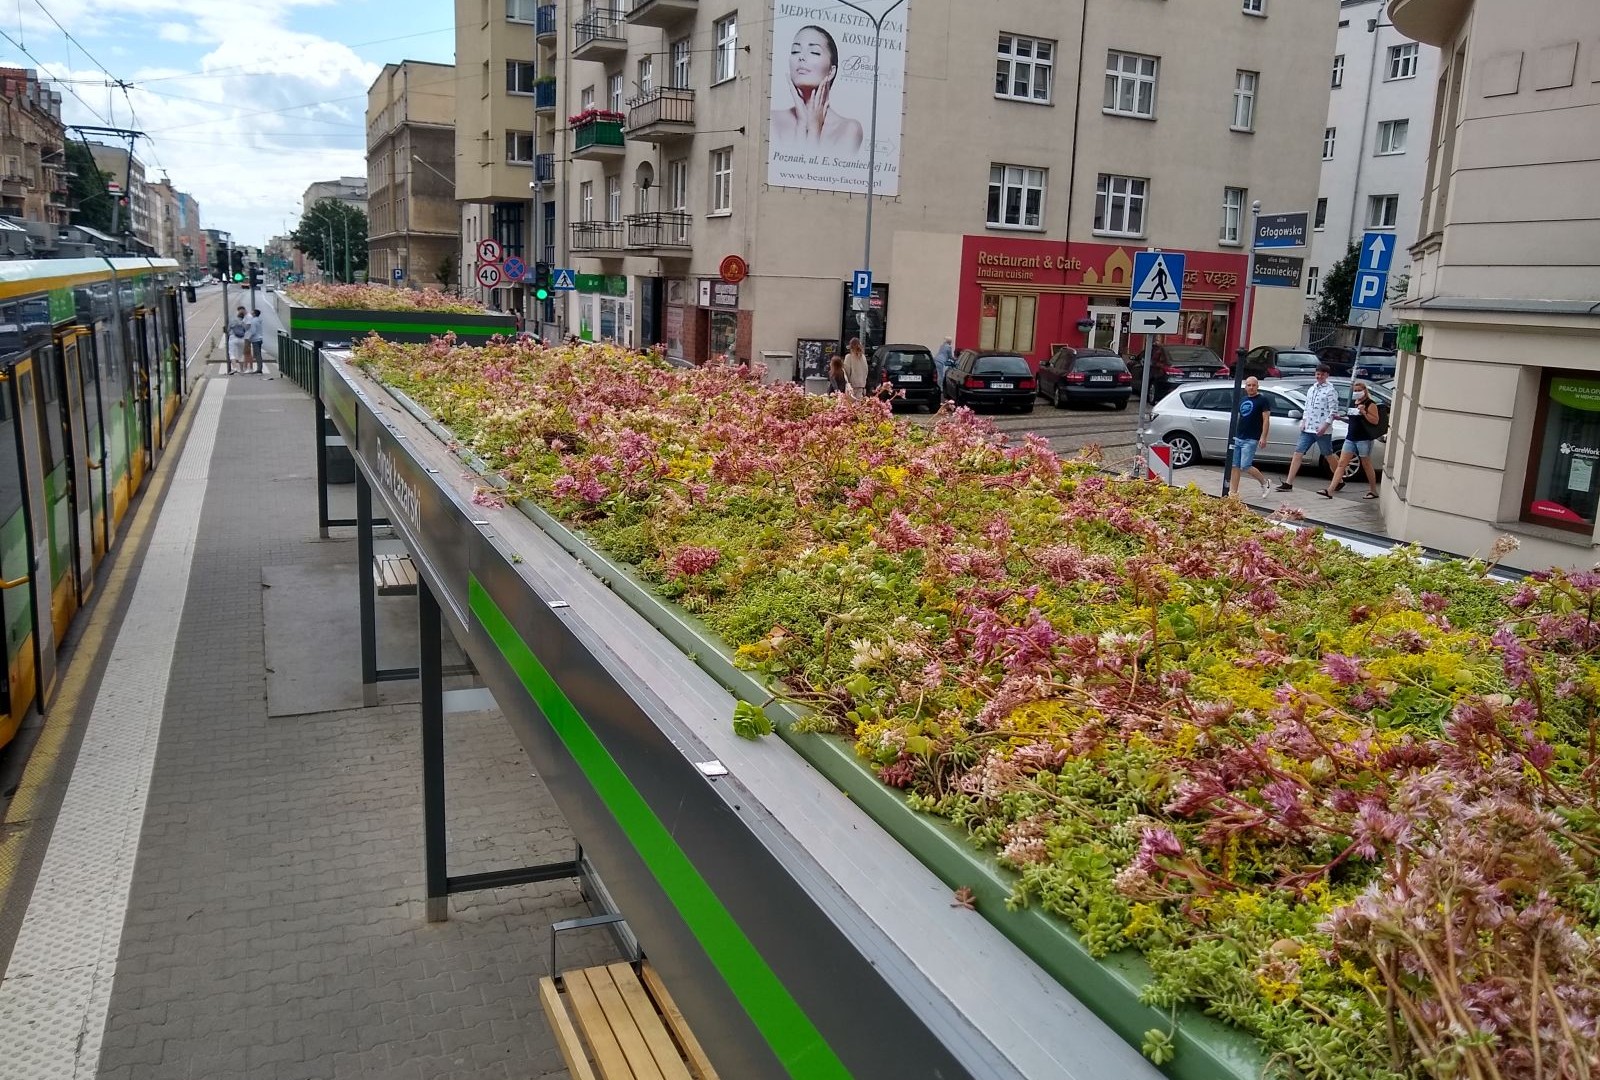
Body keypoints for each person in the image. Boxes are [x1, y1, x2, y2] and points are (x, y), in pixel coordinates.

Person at [769, 24, 864, 152]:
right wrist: (802, 124)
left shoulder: (849, 129)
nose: (801, 57)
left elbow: (811, 170)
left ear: (831, 71)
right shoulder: (773, 120)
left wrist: (814, 130)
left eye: (814, 52)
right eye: (795, 51)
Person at [1277, 364, 1339, 491]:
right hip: (1308, 428)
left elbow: (1333, 411)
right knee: (1298, 453)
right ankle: (1289, 483)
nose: (1319, 376)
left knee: (1328, 455)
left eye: (1322, 374)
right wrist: (1304, 421)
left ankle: (1339, 479)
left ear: (1327, 375)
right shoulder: (1312, 389)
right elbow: (1307, 407)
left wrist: (1325, 425)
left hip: (1322, 430)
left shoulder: (1330, 391)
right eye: (1317, 374)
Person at [1319, 382, 1383, 500]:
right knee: (1342, 463)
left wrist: (1364, 412)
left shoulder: (1370, 404)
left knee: (1366, 464)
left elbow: (1375, 421)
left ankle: (1373, 490)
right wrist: (1342, 418)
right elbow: (1353, 420)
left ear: (1364, 391)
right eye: (1355, 390)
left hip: (1364, 439)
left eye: (1359, 390)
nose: (1357, 393)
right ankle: (1330, 490)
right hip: (1350, 438)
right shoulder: (1355, 403)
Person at [1229, 376, 1272, 499]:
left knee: (1245, 466)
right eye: (1249, 385)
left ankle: (1265, 483)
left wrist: (1263, 437)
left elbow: (1266, 419)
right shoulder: (1243, 400)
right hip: (1239, 436)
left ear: (1257, 386)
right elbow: (1240, 417)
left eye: (1253, 385)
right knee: (1235, 465)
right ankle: (1233, 493)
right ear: (1245, 387)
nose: (1251, 387)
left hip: (1251, 438)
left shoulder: (1262, 400)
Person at [226, 306, 249, 374]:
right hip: (242, 339)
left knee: (232, 353)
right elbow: (246, 330)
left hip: (233, 338)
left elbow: (228, 330)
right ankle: (241, 370)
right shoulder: (244, 323)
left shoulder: (233, 321)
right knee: (241, 354)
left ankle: (235, 368)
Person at [248, 309, 265, 373]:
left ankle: (259, 369)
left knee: (258, 355)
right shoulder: (258, 320)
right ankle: (259, 368)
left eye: (252, 312)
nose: (251, 313)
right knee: (258, 354)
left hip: (255, 339)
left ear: (254, 314)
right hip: (260, 338)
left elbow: (253, 331)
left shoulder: (253, 321)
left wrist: (249, 337)